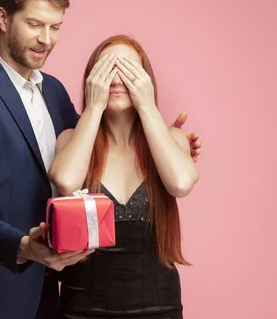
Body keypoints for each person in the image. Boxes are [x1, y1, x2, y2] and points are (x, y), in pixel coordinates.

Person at [0, 0, 202, 319]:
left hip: (53, 288)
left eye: (55, 26)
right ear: (2, 18)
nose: (46, 39)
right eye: (34, 24)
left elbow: (96, 147)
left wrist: (165, 143)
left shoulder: (54, 92)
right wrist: (25, 247)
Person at [48, 34, 200, 319]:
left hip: (158, 306)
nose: (117, 79)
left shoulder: (173, 139)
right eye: (107, 69)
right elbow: (66, 181)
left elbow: (180, 183)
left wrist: (147, 105)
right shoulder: (71, 139)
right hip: (82, 307)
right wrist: (93, 107)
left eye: (129, 70)